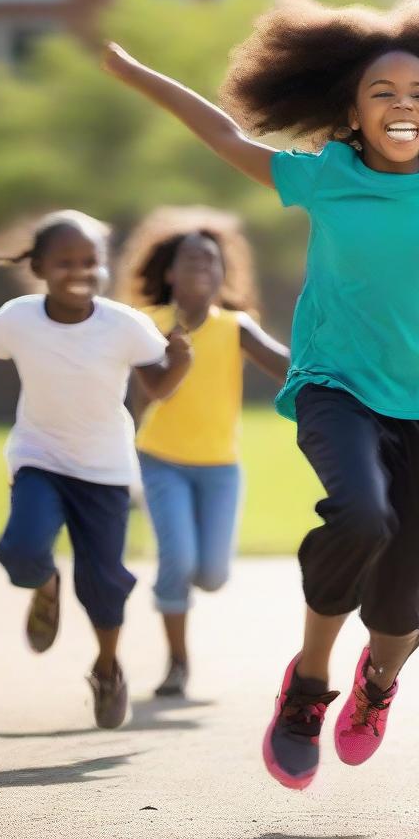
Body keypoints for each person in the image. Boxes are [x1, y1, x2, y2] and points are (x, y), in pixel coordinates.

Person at [103, 0, 419, 788]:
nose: (403, 104)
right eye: (382, 93)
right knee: (361, 515)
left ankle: (378, 684)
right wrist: (138, 74)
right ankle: (309, 687)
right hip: (332, 384)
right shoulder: (323, 177)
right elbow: (221, 132)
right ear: (350, 114)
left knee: (408, 562)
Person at [0, 211, 191, 728]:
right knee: (22, 551)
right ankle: (45, 582)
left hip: (106, 471)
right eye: (66, 261)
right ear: (40, 267)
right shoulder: (18, 318)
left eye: (90, 261)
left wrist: (180, 359)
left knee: (105, 583)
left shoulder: (123, 324)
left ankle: (107, 668)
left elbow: (158, 387)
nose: (80, 270)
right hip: (39, 458)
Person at [116, 206, 289, 697]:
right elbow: (150, 393)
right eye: (191, 262)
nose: (203, 270)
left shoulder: (236, 326)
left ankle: (182, 591)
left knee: (210, 575)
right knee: (178, 560)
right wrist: (174, 356)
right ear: (170, 273)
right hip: (160, 459)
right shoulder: (147, 324)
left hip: (220, 467)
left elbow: (288, 368)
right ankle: (177, 663)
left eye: (211, 262)